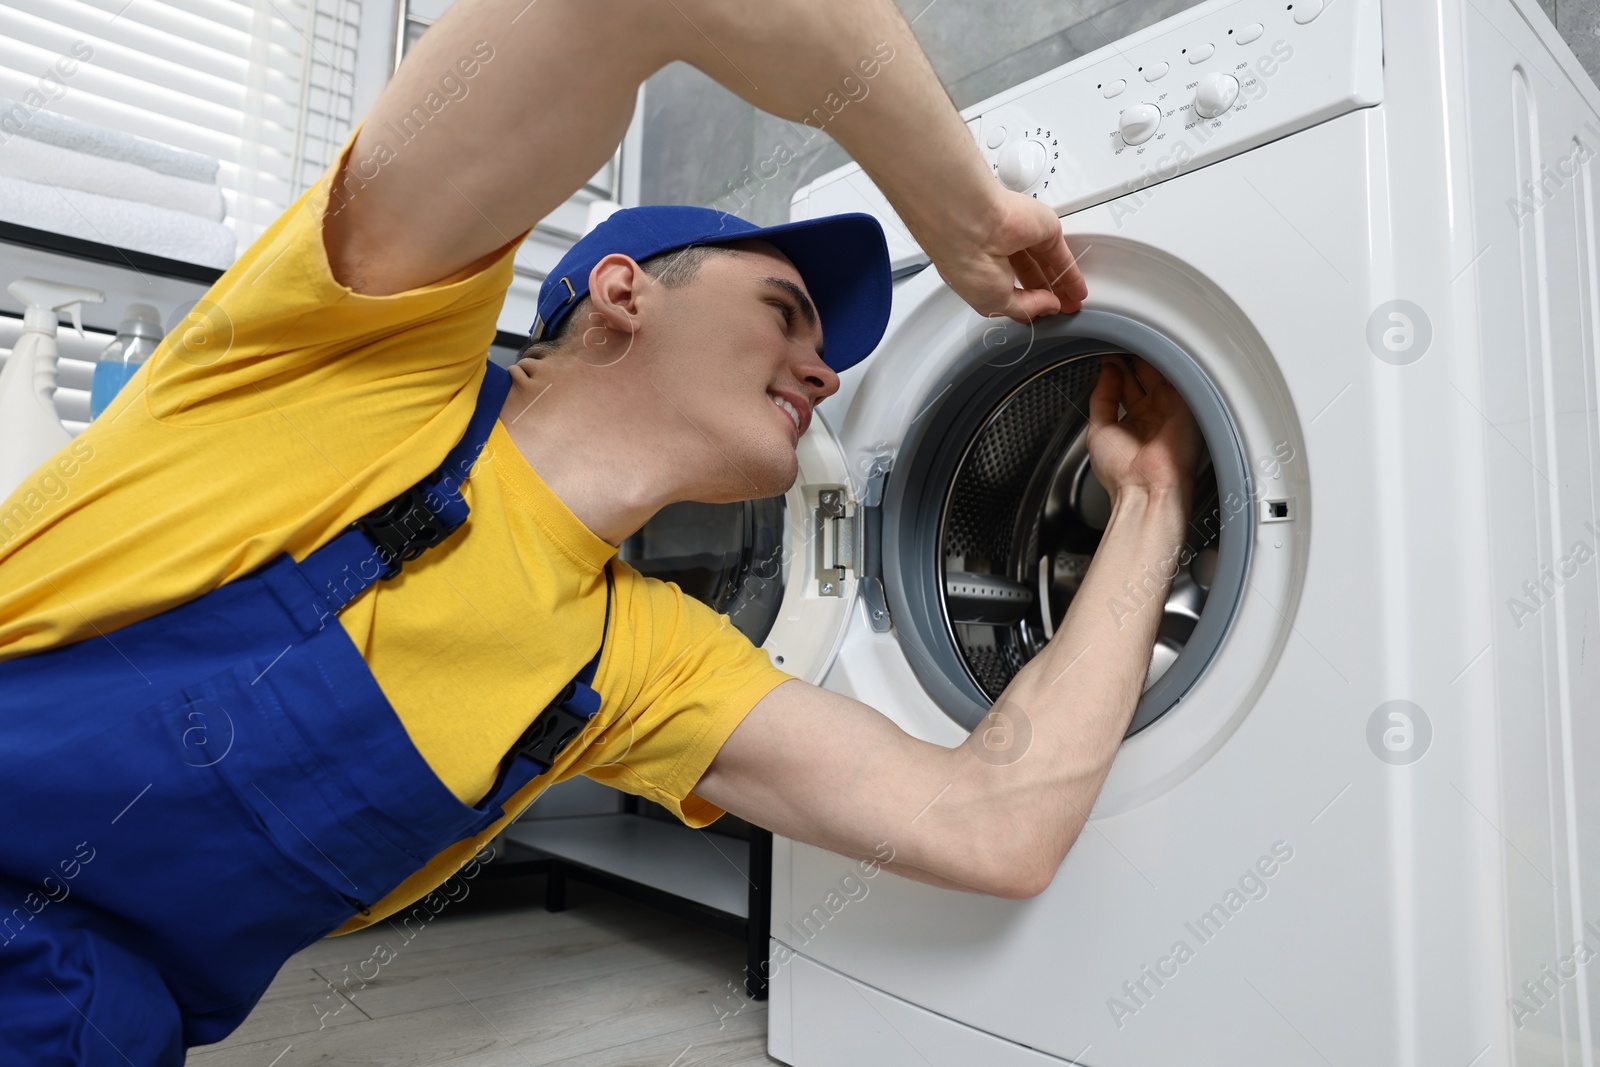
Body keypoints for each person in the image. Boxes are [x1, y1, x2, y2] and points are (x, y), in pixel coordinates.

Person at [0, 0, 1200, 1060]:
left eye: (823, 348)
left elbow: (993, 824)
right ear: (622, 291)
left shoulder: (627, 663)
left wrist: (1148, 500)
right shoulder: (352, 364)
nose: (822, 370)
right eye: (787, 311)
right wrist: (961, 210)